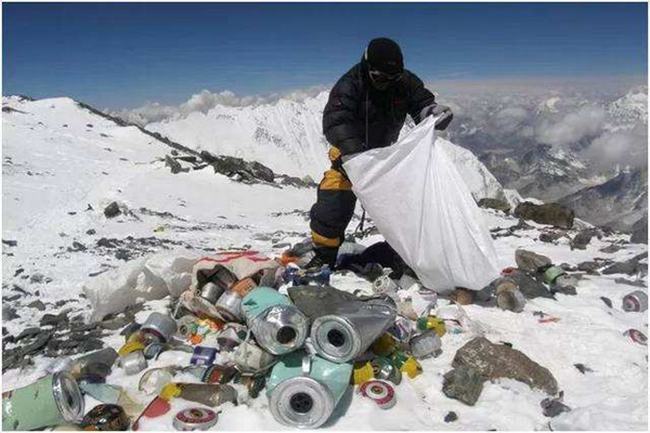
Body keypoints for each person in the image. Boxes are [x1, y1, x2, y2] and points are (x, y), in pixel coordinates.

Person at [307, 37, 453, 269]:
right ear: (367, 67)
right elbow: (335, 121)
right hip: (349, 158)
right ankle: (324, 255)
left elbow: (420, 103)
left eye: (392, 78)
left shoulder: (405, 82)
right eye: (380, 77)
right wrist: (355, 156)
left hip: (386, 159)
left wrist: (432, 112)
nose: (386, 83)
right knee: (333, 203)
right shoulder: (350, 85)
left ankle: (404, 254)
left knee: (405, 206)